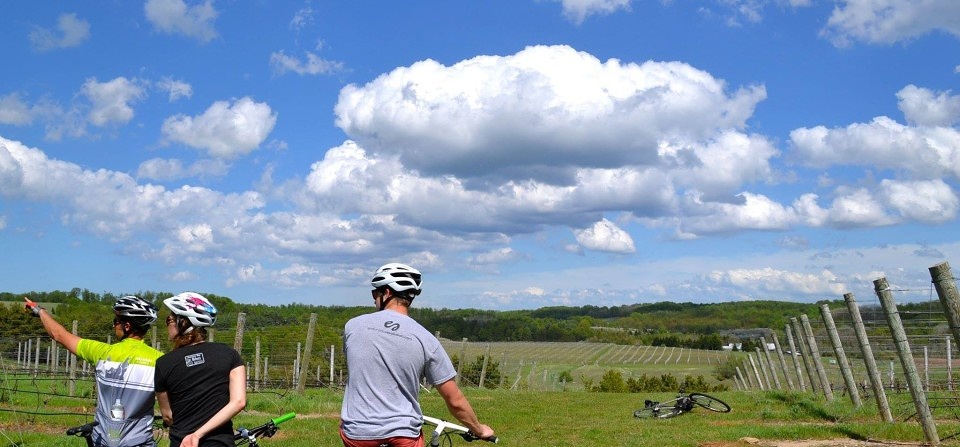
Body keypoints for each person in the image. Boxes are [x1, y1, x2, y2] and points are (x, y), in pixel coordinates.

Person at [340, 263, 495, 447]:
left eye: (375, 293)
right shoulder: (426, 339)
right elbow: (454, 399)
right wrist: (479, 429)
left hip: (358, 433)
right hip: (403, 433)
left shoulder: (352, 326)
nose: (374, 299)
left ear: (387, 293)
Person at [24, 295, 162, 447]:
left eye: (116, 321)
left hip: (103, 441)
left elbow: (59, 335)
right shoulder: (161, 361)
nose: (113, 325)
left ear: (127, 326)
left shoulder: (101, 352)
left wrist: (39, 311)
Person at [154, 292, 246, 447]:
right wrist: (199, 433)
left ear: (182, 321)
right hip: (221, 442)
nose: (167, 324)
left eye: (169, 319)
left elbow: (168, 416)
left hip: (182, 442)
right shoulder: (229, 354)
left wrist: (193, 434)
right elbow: (238, 402)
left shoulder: (164, 363)